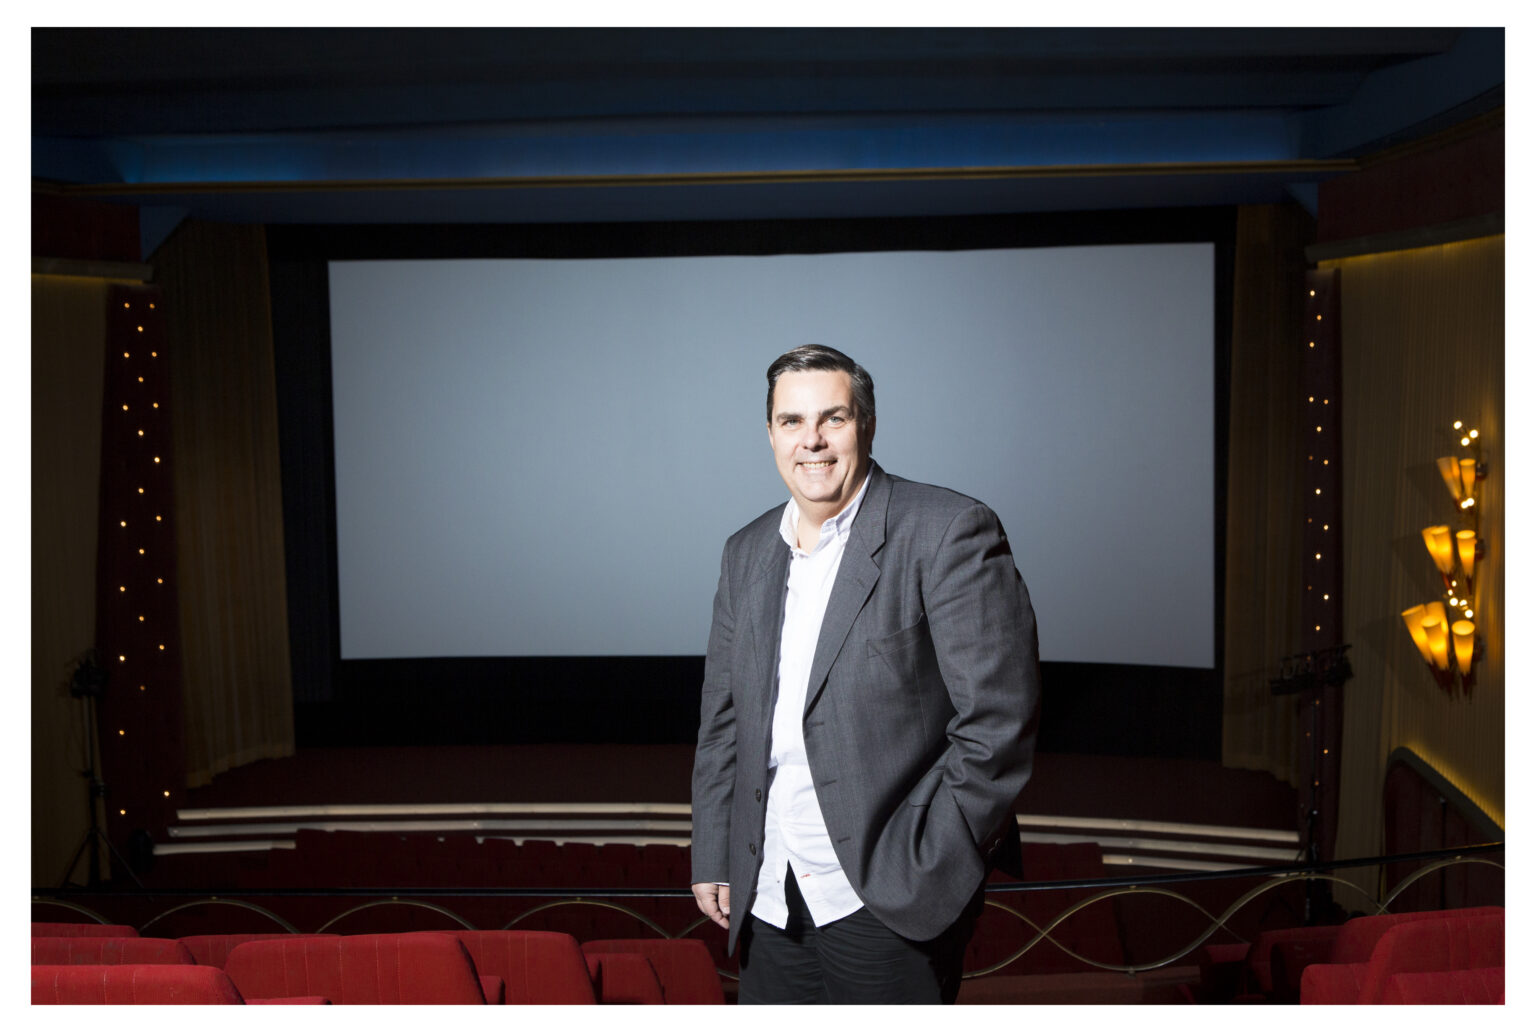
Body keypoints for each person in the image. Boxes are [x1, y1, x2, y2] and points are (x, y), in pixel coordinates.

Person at [690, 344, 1041, 1004]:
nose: (812, 440)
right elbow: (724, 721)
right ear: (770, 434)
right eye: (791, 422)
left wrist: (934, 860)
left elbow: (1000, 722)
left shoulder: (948, 531)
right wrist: (714, 849)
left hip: (888, 892)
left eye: (834, 418)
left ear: (867, 424)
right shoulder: (745, 552)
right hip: (770, 892)